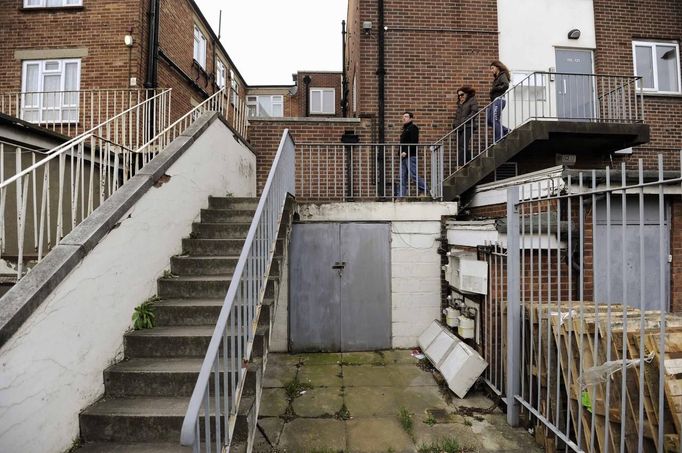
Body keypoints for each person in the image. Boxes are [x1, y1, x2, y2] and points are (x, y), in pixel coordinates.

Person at [399, 111, 428, 197]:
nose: (404, 118)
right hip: (403, 157)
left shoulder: (413, 127)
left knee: (413, 175)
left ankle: (425, 189)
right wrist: (400, 153)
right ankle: (401, 196)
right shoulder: (405, 129)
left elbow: (414, 141)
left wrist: (406, 152)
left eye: (406, 116)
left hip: (410, 156)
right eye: (403, 116)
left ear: (411, 118)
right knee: (402, 177)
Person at [453, 85, 479, 165]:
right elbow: (457, 116)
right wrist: (454, 124)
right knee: (461, 145)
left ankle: (461, 164)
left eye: (462, 94)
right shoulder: (460, 103)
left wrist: (465, 120)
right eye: (459, 95)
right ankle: (471, 160)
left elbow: (474, 112)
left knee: (463, 145)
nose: (460, 97)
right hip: (460, 127)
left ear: (467, 93)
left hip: (468, 126)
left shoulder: (472, 100)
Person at [487, 60, 511, 142]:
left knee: (494, 119)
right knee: (489, 120)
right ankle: (505, 130)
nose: (491, 70)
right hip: (494, 101)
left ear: (497, 67)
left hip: (499, 100)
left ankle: (499, 138)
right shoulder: (496, 78)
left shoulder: (502, 75)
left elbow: (506, 85)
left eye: (492, 68)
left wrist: (494, 89)